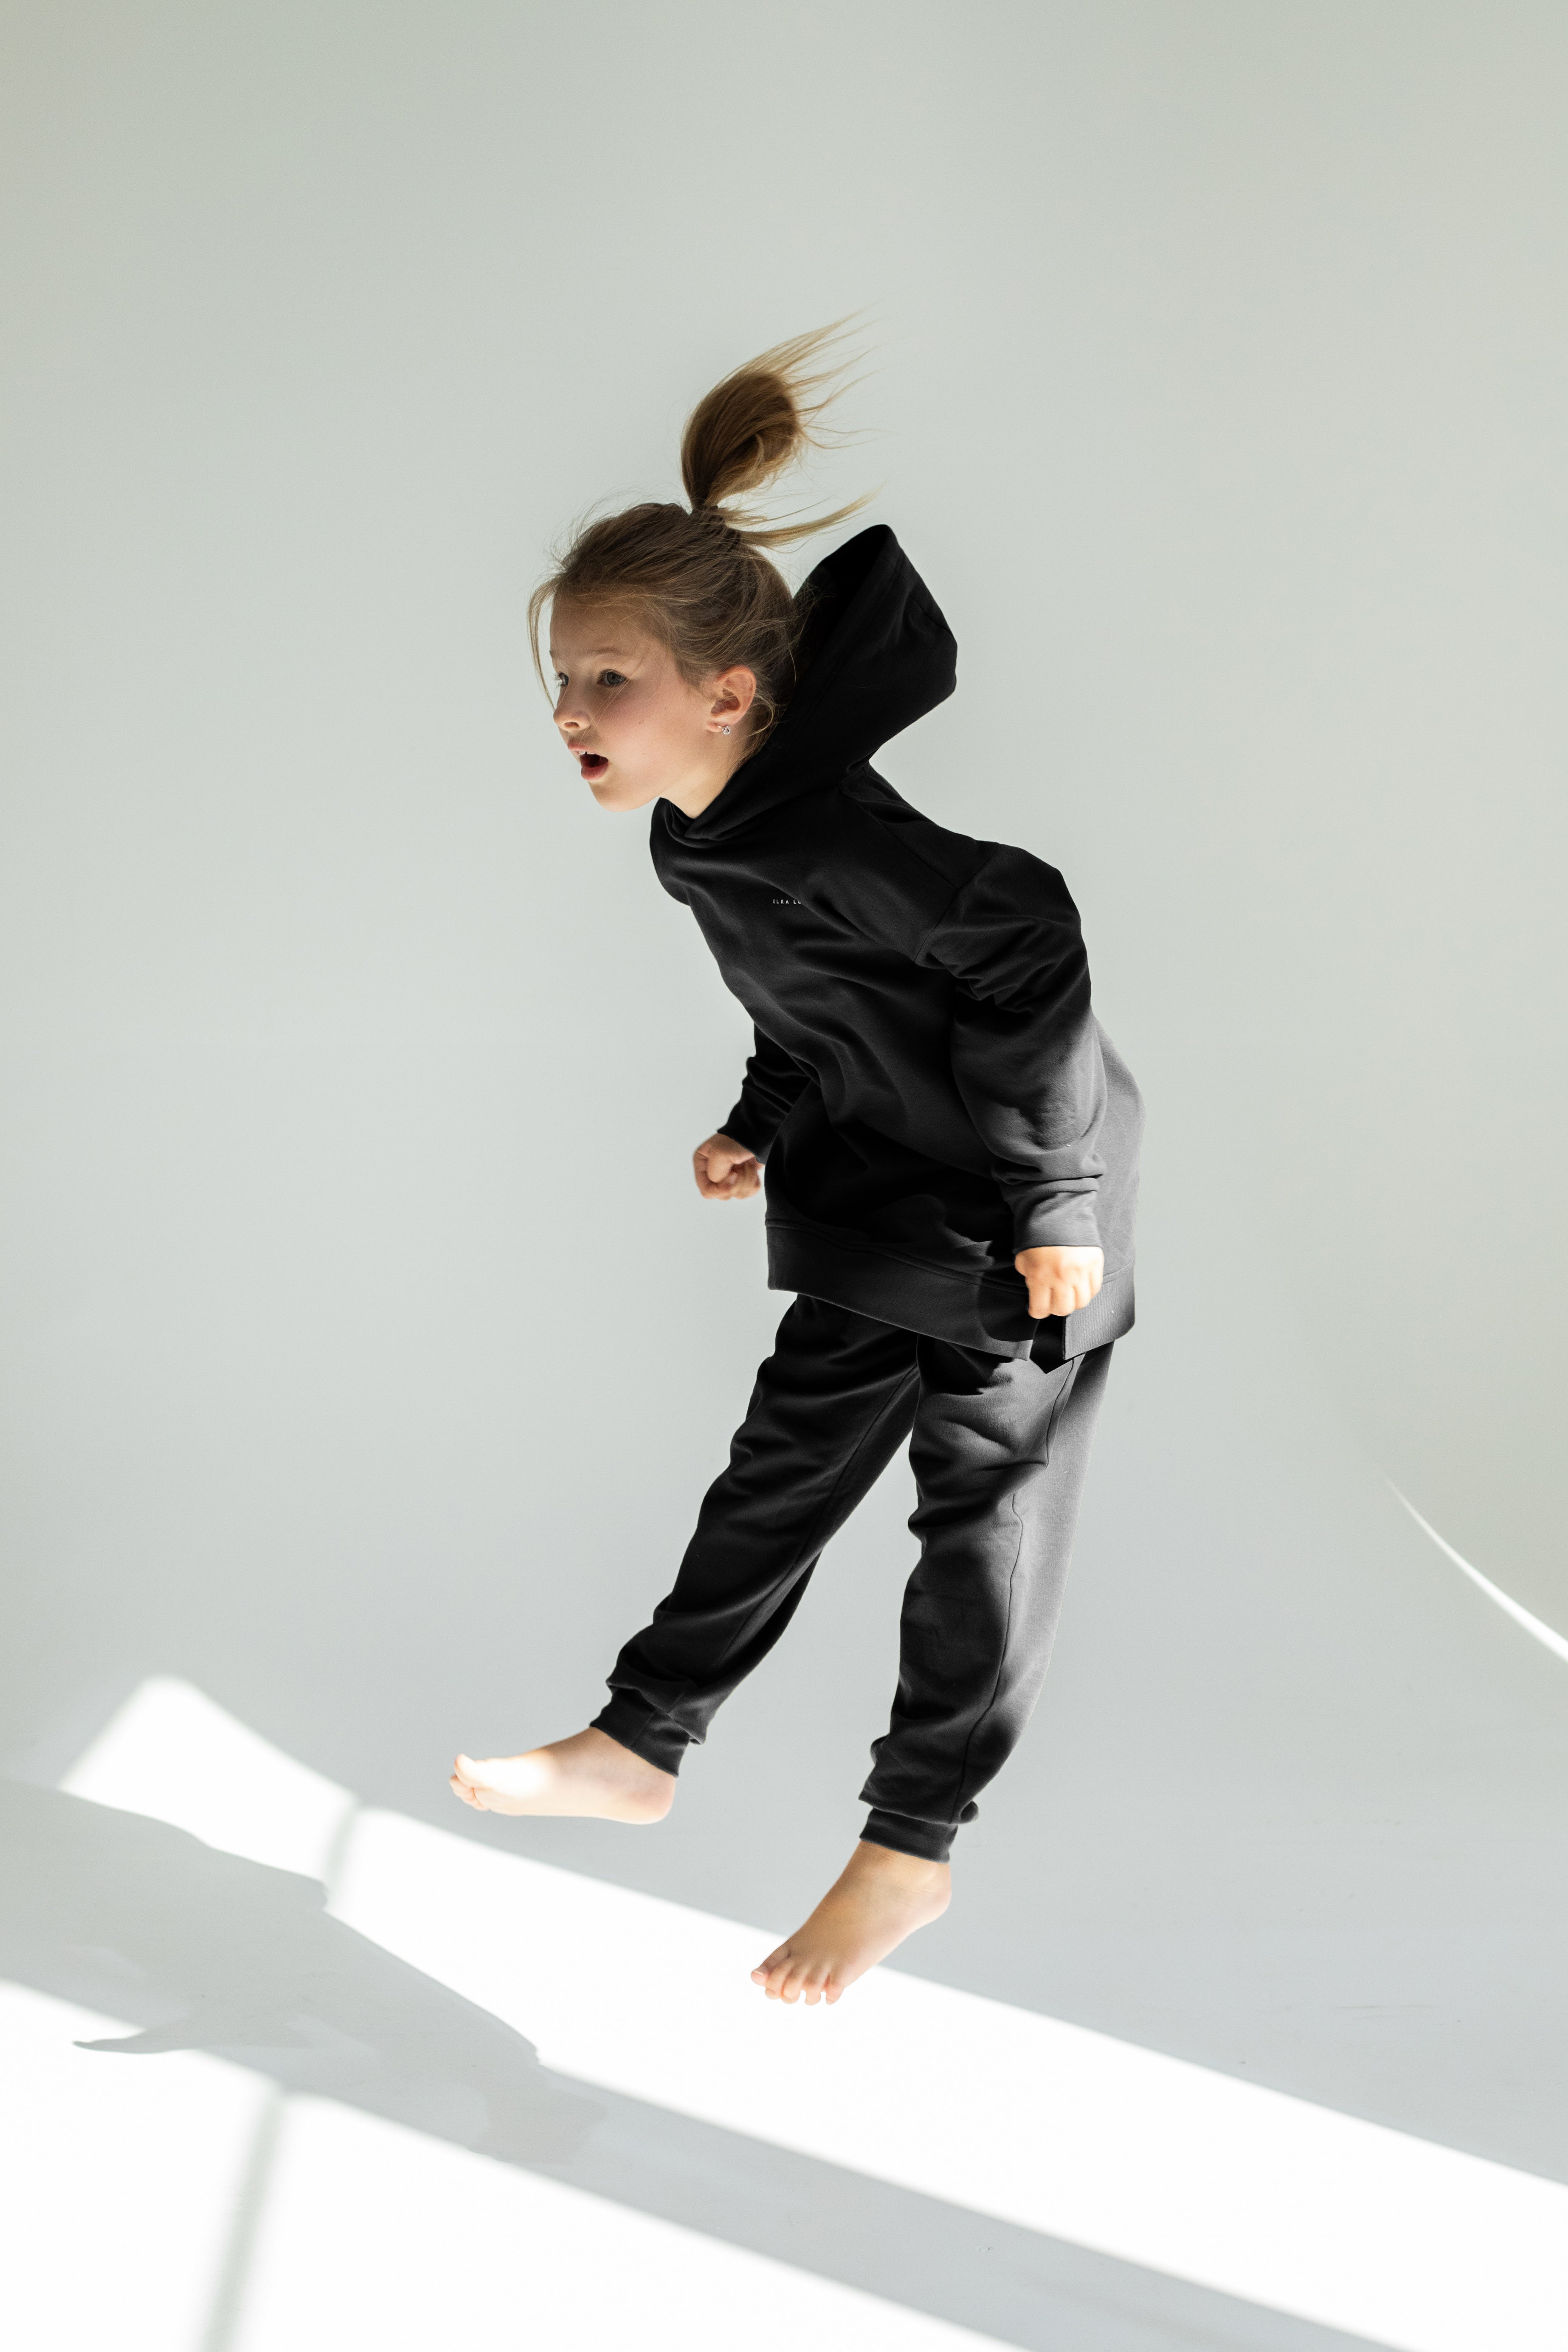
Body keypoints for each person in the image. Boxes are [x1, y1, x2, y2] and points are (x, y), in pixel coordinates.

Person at [452, 326, 1144, 2008]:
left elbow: (1029, 934)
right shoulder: (697, 840)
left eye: (608, 678)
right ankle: (641, 1740)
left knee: (980, 1516)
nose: (570, 709)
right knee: (780, 1470)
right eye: (562, 677)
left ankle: (910, 1849)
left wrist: (1057, 1202)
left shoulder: (831, 830)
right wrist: (760, 1119)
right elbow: (821, 998)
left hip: (1020, 1203)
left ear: (729, 695)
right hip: (882, 1178)